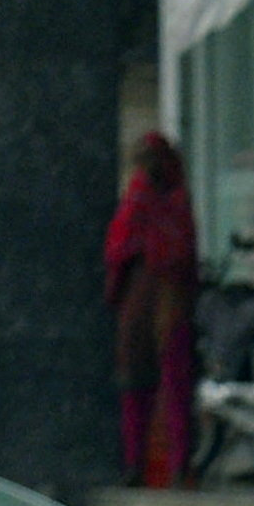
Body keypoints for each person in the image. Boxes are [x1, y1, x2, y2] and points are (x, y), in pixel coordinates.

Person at [104, 129, 196, 487]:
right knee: (147, 386)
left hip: (161, 300)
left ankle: (167, 463)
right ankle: (147, 463)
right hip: (151, 300)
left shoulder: (160, 201)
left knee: (166, 385)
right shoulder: (154, 200)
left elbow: (122, 248)